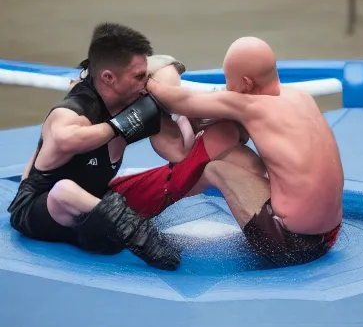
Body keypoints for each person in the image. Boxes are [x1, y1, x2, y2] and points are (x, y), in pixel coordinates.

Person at [147, 36, 344, 267]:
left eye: (230, 82)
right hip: (330, 236)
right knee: (236, 147)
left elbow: (177, 101)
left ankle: (153, 201)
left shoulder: (250, 106)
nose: (229, 88)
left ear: (247, 83)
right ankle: (161, 194)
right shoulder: (301, 96)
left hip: (289, 245)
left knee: (214, 168)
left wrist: (144, 77)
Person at [7, 22, 181, 270]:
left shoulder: (127, 101)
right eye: (140, 77)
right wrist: (120, 125)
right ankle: (142, 236)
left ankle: (111, 230)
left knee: (105, 234)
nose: (146, 84)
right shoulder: (74, 112)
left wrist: (176, 111)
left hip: (88, 211)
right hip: (38, 211)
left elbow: (178, 153)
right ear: (108, 77)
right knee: (63, 190)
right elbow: (66, 140)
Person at [107, 54, 266, 218]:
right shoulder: (148, 116)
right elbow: (176, 153)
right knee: (224, 135)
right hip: (137, 194)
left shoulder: (176, 113)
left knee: (228, 140)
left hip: (155, 184)